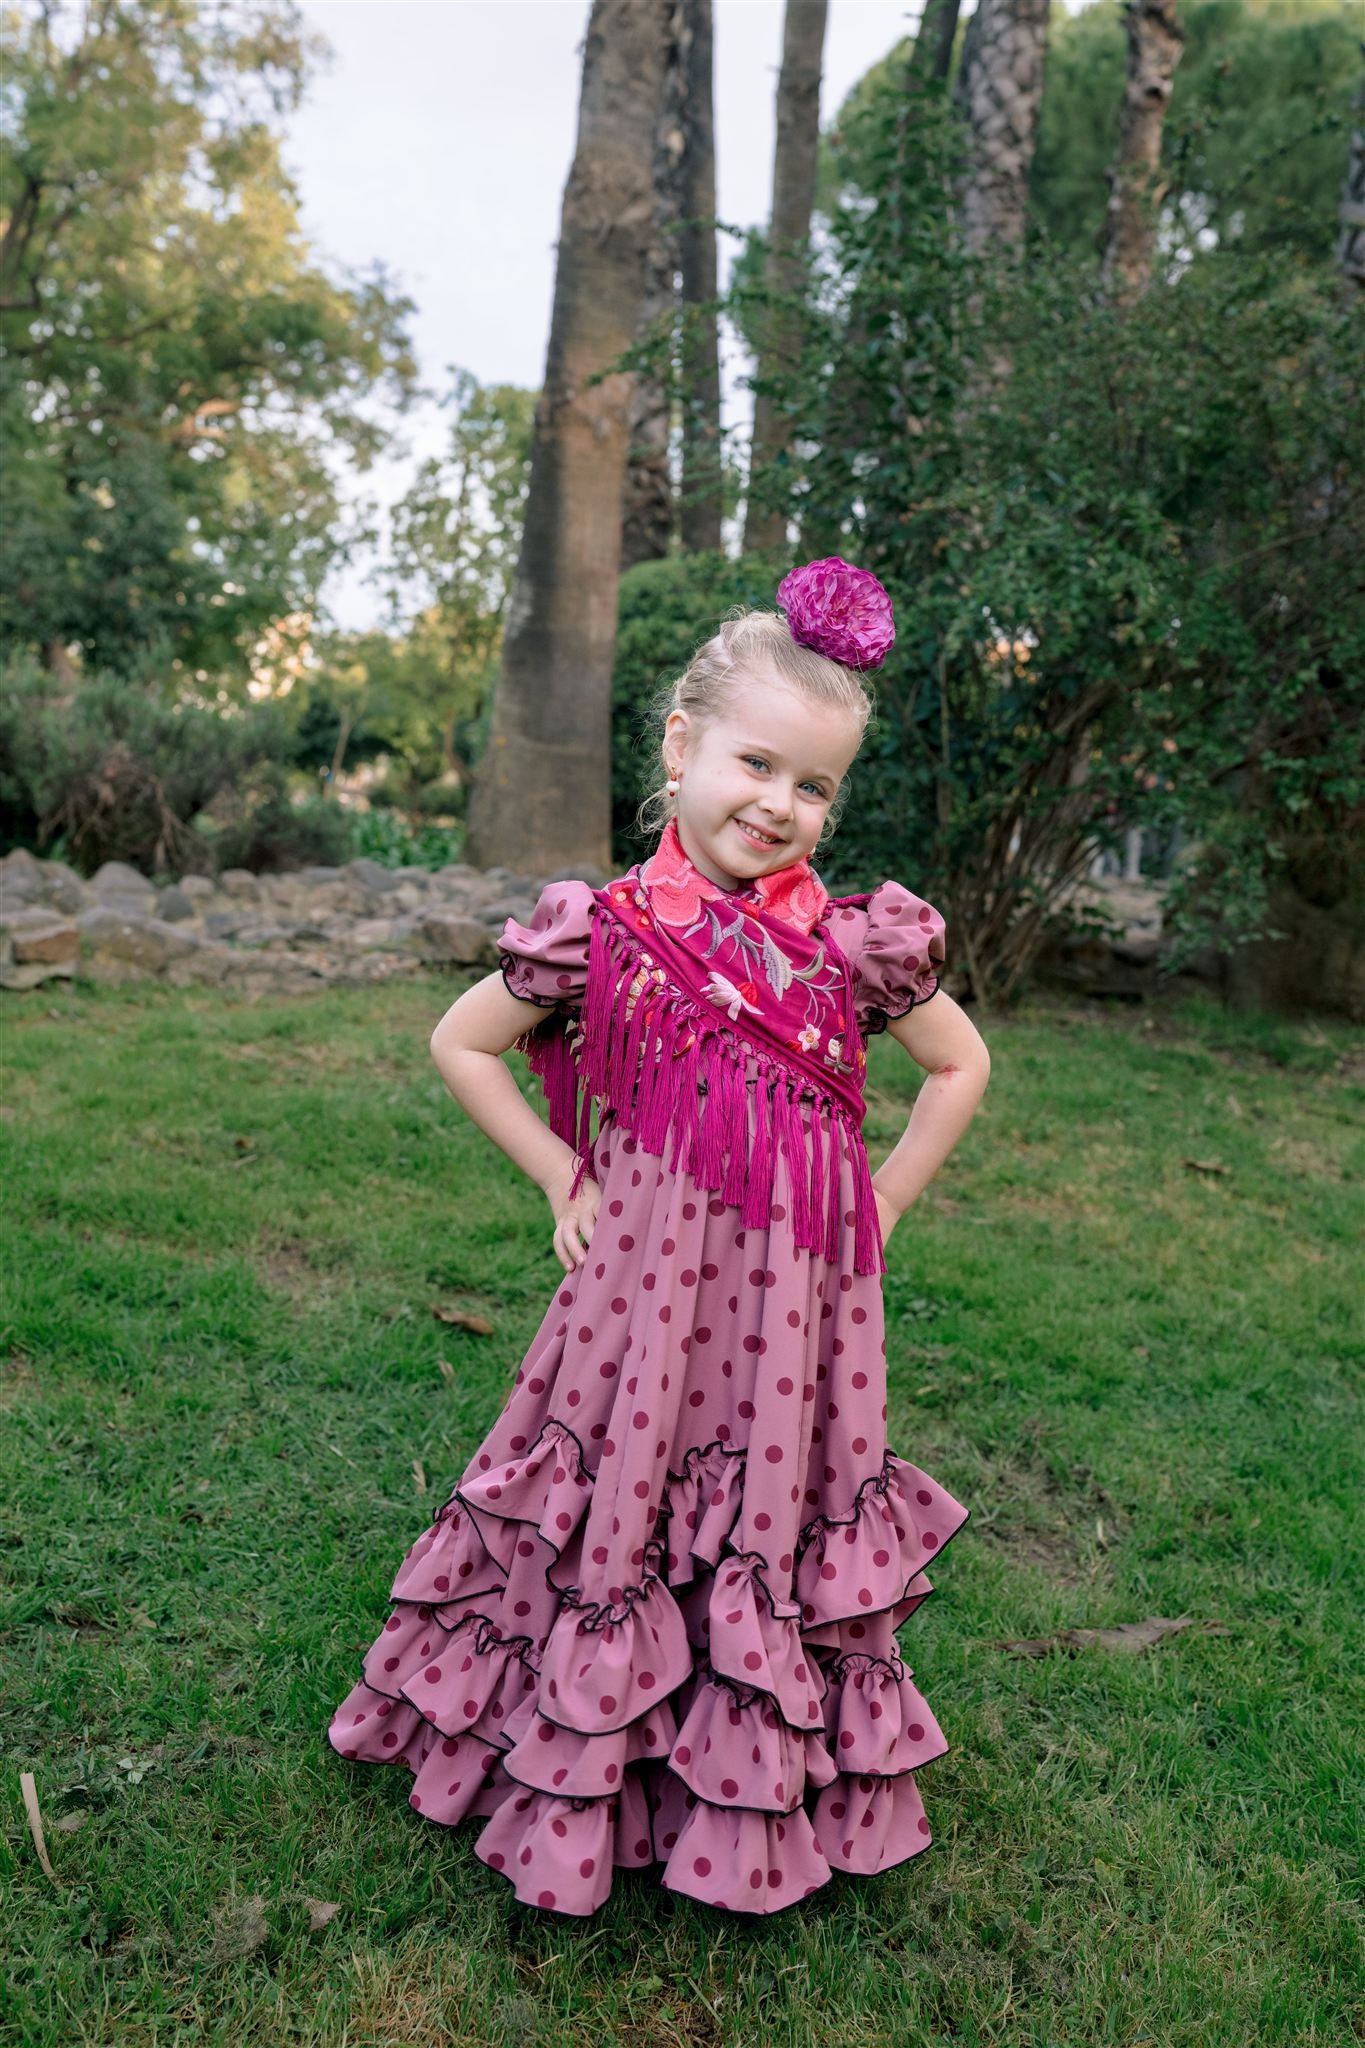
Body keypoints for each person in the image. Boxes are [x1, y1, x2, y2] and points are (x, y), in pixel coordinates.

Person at [326, 559, 991, 1917]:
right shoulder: (607, 932)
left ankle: (745, 1771)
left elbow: (958, 1068)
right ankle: (575, 1754)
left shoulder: (855, 946)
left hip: (798, 1311)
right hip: (637, 1287)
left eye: (811, 786)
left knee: (762, 1496)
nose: (778, 804)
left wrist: (883, 1199)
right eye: (756, 763)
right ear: (683, 747)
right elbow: (462, 1044)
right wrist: (562, 1174)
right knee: (620, 1489)